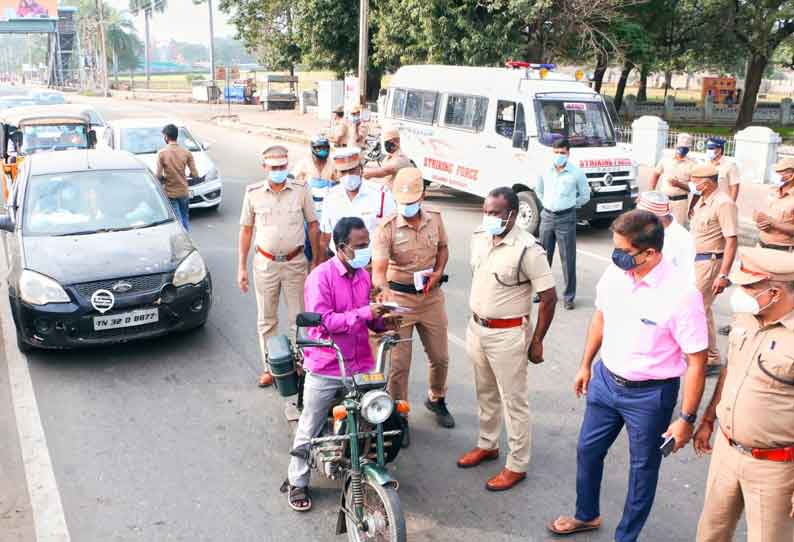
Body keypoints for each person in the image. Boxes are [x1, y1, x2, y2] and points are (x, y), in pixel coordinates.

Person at [547, 209, 708, 541]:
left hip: (650, 396)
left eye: (623, 250)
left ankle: (626, 537)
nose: (616, 256)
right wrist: (585, 364)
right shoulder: (615, 274)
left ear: (650, 253)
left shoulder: (681, 295)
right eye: (615, 248)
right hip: (606, 381)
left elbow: (697, 360)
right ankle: (586, 514)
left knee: (642, 471)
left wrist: (687, 418)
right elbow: (600, 320)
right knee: (587, 450)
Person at [285, 217, 395, 512]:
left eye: (367, 244)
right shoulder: (320, 278)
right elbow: (322, 323)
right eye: (360, 246)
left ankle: (371, 468)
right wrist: (362, 313)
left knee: (376, 418)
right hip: (328, 364)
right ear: (342, 246)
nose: (366, 251)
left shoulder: (362, 276)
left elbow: (368, 318)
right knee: (310, 422)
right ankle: (297, 480)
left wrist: (385, 319)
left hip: (360, 364)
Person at [457, 187, 558, 491]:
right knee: (484, 392)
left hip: (508, 334)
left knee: (513, 401)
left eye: (495, 213)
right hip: (477, 329)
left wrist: (537, 340)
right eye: (486, 211)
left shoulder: (529, 249)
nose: (488, 217)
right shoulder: (480, 236)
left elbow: (549, 298)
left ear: (512, 214)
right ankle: (487, 444)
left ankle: (517, 464)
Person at [693, 247, 794, 542]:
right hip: (726, 449)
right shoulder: (746, 317)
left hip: (776, 467)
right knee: (711, 532)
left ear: (775, 292)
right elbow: (730, 370)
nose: (740, 292)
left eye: (750, 286)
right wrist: (710, 417)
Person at [372, 168, 453, 445]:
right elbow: (379, 270)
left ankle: (436, 398)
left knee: (440, 357)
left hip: (431, 298)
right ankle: (400, 414)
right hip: (400, 301)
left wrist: (438, 271)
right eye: (402, 201)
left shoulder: (436, 219)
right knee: (399, 365)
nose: (406, 206)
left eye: (411, 200)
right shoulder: (386, 228)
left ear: (423, 196)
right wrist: (382, 290)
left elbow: (443, 249)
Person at [238, 145, 320, 388]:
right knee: (266, 319)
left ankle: (302, 365)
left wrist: (315, 260)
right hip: (266, 264)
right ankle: (271, 367)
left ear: (288, 166)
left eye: (282, 167)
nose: (278, 171)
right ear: (264, 168)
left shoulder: (301, 190)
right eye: (273, 168)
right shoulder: (253, 193)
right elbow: (246, 230)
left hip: (295, 262)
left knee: (299, 319)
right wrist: (241, 267)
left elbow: (313, 225)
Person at [689, 163, 738, 377]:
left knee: (700, 308)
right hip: (697, 261)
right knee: (699, 307)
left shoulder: (724, 203)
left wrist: (724, 274)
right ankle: (703, 352)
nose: (693, 184)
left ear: (708, 182)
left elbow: (731, 241)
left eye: (696, 180)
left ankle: (711, 357)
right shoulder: (703, 199)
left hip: (711, 262)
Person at [536, 138, 591, 310]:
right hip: (547, 217)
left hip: (566, 218)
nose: (559, 155)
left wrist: (570, 205)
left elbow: (584, 195)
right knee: (542, 257)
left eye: (563, 153)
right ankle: (541, 292)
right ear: (552, 152)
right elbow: (539, 190)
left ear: (568, 153)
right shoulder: (544, 170)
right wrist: (548, 203)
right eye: (556, 152)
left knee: (568, 259)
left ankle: (568, 297)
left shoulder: (576, 173)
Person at [320, 148, 396, 256]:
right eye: (343, 172)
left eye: (352, 170)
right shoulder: (330, 197)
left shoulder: (381, 195)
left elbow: (393, 232)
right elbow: (325, 235)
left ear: (360, 169)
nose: (348, 176)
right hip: (339, 261)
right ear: (337, 173)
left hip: (371, 263)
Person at [637, 191, 696, 286]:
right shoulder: (644, 230)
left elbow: (689, 275)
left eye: (641, 216)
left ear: (654, 217)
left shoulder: (683, 239)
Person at [294, 135, 337, 263]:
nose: (321, 150)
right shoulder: (304, 163)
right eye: (318, 148)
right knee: (308, 239)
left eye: (324, 147)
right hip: (309, 206)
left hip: (327, 206)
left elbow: (339, 181)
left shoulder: (333, 163)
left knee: (326, 239)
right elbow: (293, 179)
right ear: (312, 148)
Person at [156, 123, 198, 231]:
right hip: (184, 192)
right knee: (184, 218)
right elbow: (195, 174)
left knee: (178, 221)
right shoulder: (186, 152)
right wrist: (189, 175)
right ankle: (186, 236)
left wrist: (164, 179)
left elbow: (158, 175)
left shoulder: (162, 153)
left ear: (166, 137)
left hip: (170, 193)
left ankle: (185, 241)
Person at [649, 133, 695, 226]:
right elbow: (655, 174)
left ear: (689, 149)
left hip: (680, 203)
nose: (682, 150)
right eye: (680, 147)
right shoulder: (666, 160)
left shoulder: (693, 164)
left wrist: (678, 184)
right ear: (675, 146)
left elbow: (694, 188)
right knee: (659, 227)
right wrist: (651, 192)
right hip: (664, 200)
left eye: (685, 148)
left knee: (677, 229)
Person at [754, 157, 794, 252]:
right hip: (761, 245)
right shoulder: (773, 191)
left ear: (791, 175)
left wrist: (773, 223)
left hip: (782, 251)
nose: (776, 174)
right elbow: (766, 216)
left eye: (780, 171)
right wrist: (760, 223)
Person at [362, 126, 412, 192]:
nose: (386, 145)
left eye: (388, 142)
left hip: (395, 197)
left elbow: (381, 171)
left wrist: (359, 171)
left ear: (396, 141)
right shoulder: (390, 156)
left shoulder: (400, 160)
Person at [706, 137, 740, 202]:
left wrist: (731, 205)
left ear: (719, 151)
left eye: (711, 148)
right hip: (708, 203)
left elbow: (734, 187)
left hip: (722, 203)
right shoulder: (706, 164)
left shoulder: (730, 166)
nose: (708, 150)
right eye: (707, 148)